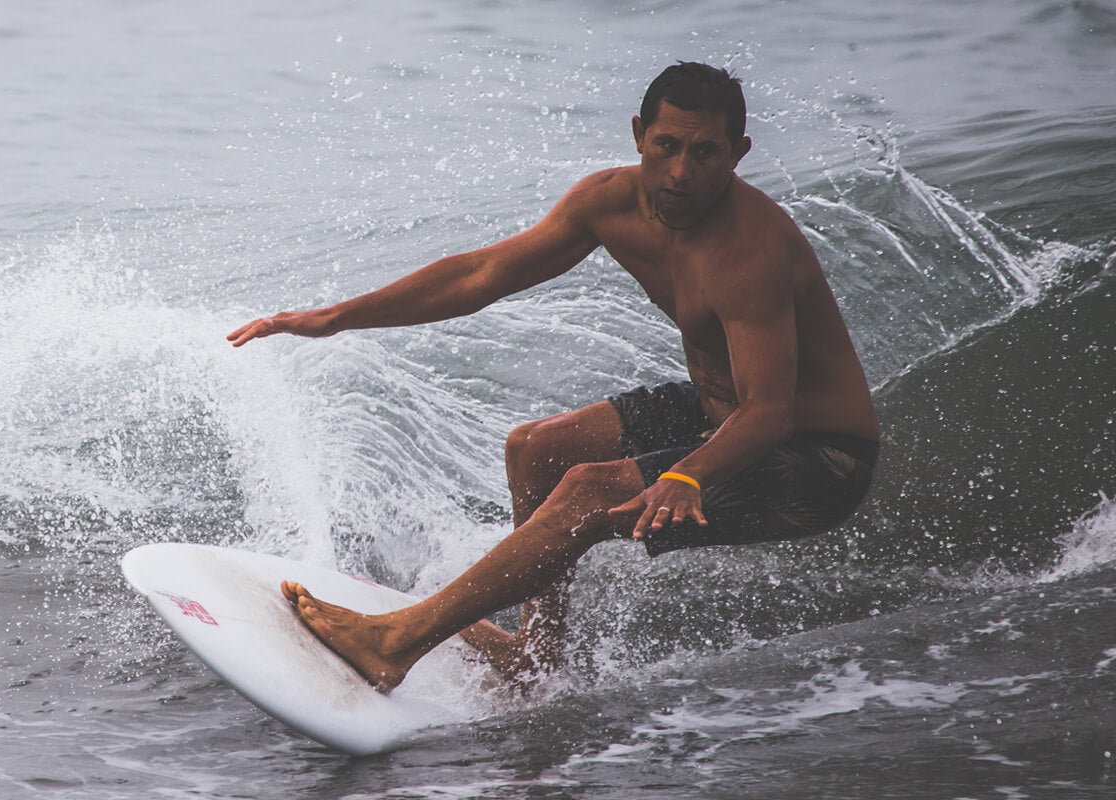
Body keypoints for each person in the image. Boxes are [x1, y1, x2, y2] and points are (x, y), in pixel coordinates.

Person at [227, 62, 880, 692]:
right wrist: (334, 317)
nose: (681, 172)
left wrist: (686, 475)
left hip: (816, 456)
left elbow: (770, 413)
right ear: (638, 136)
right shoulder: (609, 203)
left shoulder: (749, 251)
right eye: (667, 146)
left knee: (586, 493)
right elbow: (481, 274)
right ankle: (535, 655)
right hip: (723, 413)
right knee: (537, 449)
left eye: (705, 154)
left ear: (738, 154)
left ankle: (393, 645)